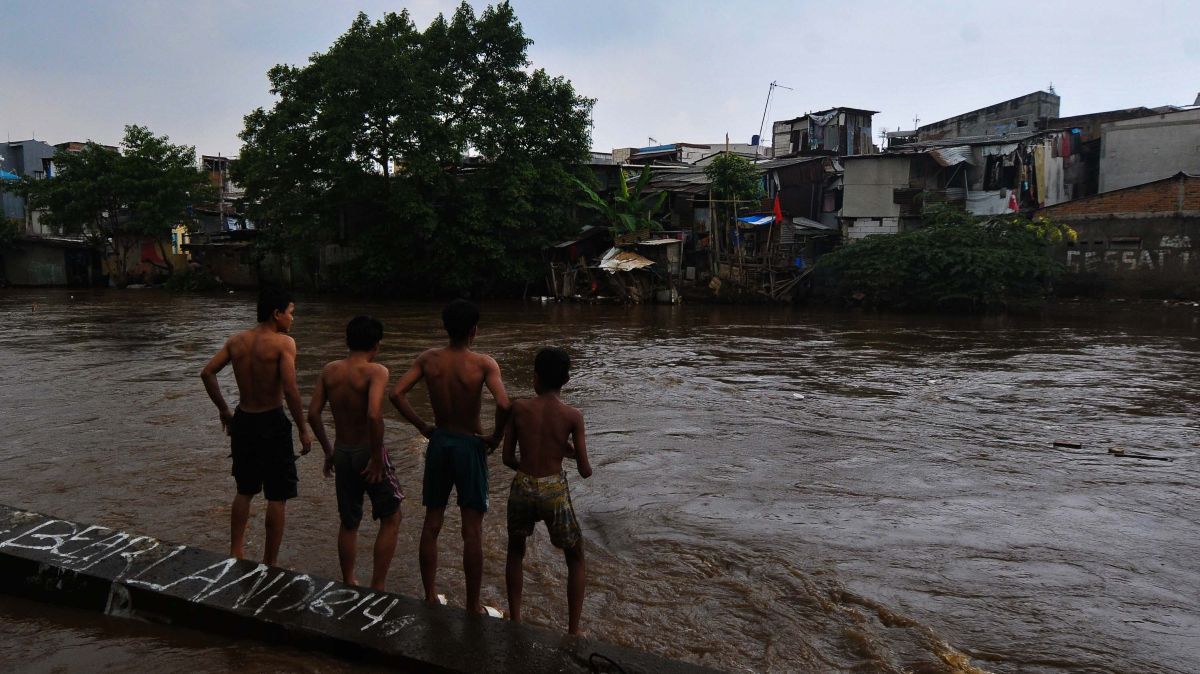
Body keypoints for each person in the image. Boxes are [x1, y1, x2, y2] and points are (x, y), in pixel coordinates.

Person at [389, 299, 511, 613]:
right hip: (470, 444)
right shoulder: (484, 364)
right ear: (474, 331)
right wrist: (495, 438)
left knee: (432, 522)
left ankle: (430, 595)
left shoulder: (429, 359)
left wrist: (423, 426)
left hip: (440, 441)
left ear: (446, 328)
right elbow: (503, 405)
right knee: (472, 530)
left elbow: (396, 393)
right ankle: (472, 606)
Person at [200, 287, 312, 565]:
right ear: (277, 314)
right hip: (272, 421)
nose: (292, 319)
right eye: (290, 313)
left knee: (245, 490)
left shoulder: (237, 341)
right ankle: (270, 562)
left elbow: (207, 373)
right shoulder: (284, 344)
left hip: (244, 420)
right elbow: (291, 390)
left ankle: (235, 551)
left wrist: (225, 411)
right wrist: (303, 428)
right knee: (277, 495)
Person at [308, 315, 402, 591]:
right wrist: (375, 457)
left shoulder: (329, 371)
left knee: (349, 521)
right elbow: (374, 415)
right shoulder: (376, 371)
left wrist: (328, 450)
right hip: (367, 451)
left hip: (342, 451)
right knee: (392, 516)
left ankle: (349, 580)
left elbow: (313, 413)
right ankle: (378, 585)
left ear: (347, 341)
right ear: (376, 345)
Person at [502, 347, 592, 635]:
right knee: (575, 556)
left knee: (516, 551)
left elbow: (507, 458)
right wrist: (567, 452)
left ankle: (515, 619)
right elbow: (585, 470)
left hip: (524, 484)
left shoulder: (518, 407)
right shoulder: (572, 415)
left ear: (536, 378)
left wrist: (528, 465)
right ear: (566, 380)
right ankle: (573, 630)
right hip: (553, 488)